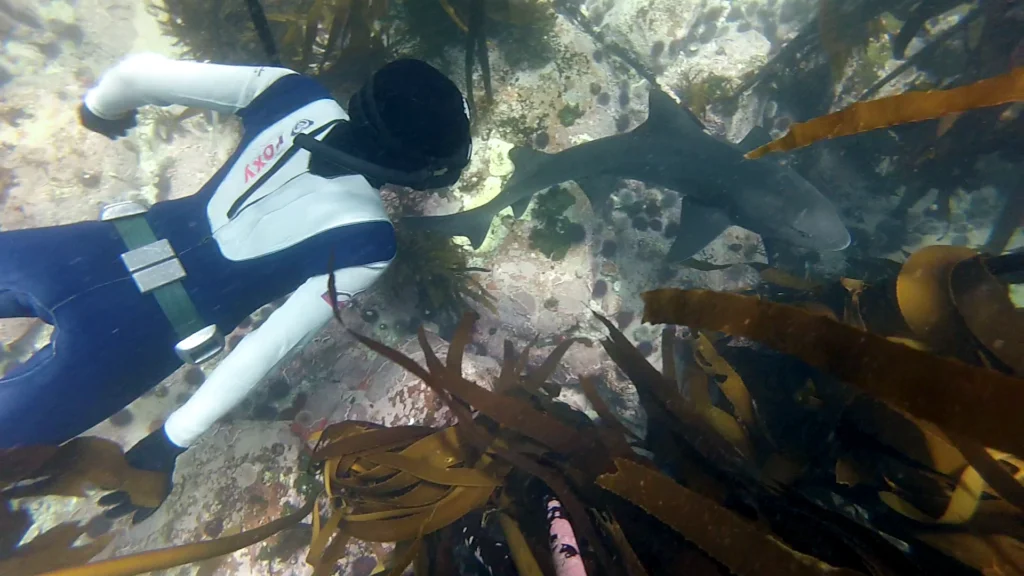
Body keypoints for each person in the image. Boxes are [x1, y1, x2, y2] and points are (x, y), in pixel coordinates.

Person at [0, 52, 472, 521]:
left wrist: (101, 108)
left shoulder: (293, 93)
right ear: (414, 171)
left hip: (92, 251)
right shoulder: (368, 242)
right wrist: (171, 440)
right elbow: (268, 347)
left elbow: (134, 73)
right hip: (131, 341)